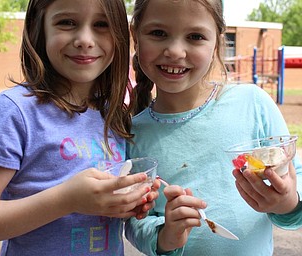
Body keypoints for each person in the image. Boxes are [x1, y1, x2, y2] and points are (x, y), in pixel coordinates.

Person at [125, 0, 302, 255]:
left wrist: (287, 202)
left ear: (217, 42)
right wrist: (164, 236)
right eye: (158, 33)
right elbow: (133, 218)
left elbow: (295, 174)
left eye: (195, 36)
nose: (175, 51)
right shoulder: (131, 133)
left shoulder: (252, 104)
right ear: (135, 35)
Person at [0, 0, 159, 255]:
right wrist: (66, 200)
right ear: (38, 27)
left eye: (101, 24)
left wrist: (129, 201)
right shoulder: (14, 111)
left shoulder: (113, 113)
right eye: (67, 22)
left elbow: (103, 205)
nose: (85, 39)